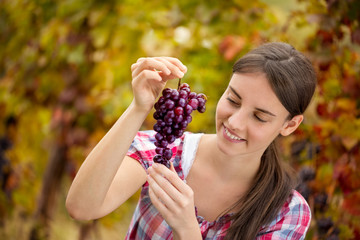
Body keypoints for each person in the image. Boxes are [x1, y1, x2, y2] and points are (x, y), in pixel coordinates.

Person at [66, 42, 317, 240]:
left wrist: (186, 229)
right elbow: (82, 207)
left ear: (290, 124)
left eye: (260, 117)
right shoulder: (164, 150)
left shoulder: (287, 213)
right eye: (233, 100)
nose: (235, 122)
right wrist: (138, 108)